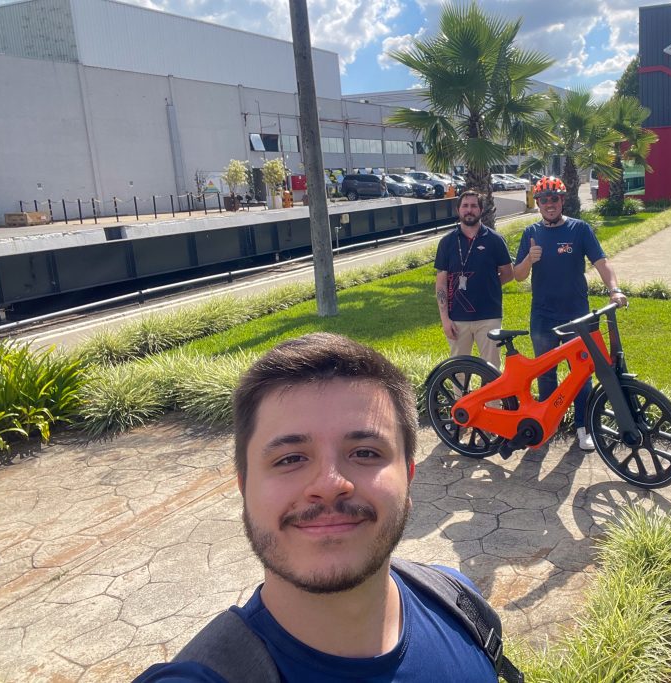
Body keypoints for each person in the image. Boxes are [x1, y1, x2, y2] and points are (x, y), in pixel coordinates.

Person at [134, 333, 518, 682]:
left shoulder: (459, 603)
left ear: (408, 478)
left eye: (365, 453)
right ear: (244, 487)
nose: (330, 485)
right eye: (290, 459)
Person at [513, 177, 628, 452]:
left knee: (582, 374)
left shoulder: (579, 229)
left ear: (562, 201)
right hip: (543, 316)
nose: (549, 204)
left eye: (554, 199)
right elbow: (518, 276)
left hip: (577, 316)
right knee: (545, 374)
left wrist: (615, 289)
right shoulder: (531, 233)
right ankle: (548, 424)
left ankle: (583, 427)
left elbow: (601, 262)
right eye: (544, 200)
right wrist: (529, 258)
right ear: (538, 204)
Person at [434, 190, 515, 368]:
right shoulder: (447, 242)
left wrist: (488, 285)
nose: (469, 210)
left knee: (491, 368)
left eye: (473, 206)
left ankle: (492, 390)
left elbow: (508, 273)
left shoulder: (495, 240)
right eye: (465, 206)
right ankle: (462, 390)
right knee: (459, 370)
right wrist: (445, 320)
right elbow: (441, 283)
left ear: (481, 210)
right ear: (458, 210)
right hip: (457, 318)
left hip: (489, 317)